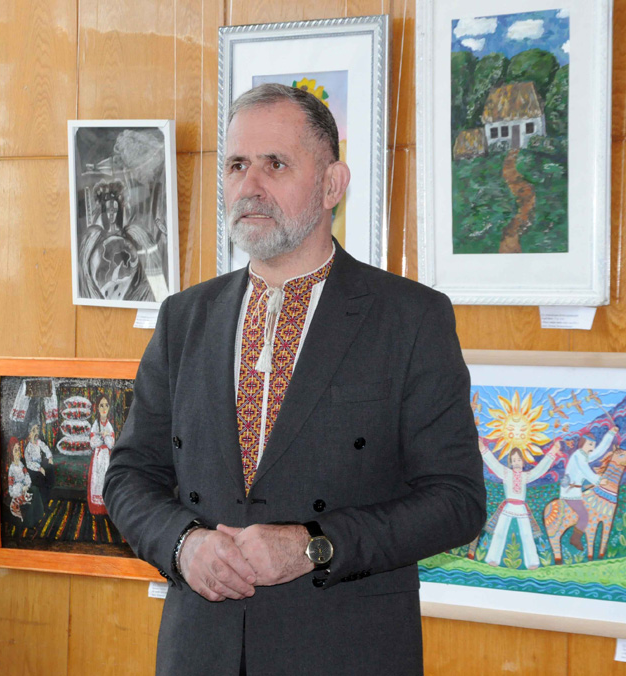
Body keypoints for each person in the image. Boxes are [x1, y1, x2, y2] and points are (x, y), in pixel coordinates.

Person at [104, 83, 486, 676]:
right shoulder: (184, 317)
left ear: (333, 184)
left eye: (275, 164)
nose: (249, 186)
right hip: (200, 650)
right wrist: (184, 545)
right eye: (237, 165)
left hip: (345, 651)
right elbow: (130, 476)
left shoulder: (410, 318)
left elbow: (457, 501)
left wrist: (314, 544)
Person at [479, 440, 560, 569]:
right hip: (508, 506)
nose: (516, 462)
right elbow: (493, 464)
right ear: (511, 463)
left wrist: (553, 451)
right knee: (499, 532)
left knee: (527, 534)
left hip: (521, 508)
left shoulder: (526, 476)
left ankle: (532, 562)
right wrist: (483, 448)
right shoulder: (506, 473)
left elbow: (540, 470)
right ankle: (493, 559)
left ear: (523, 461)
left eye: (518, 460)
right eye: (514, 460)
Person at [559, 425, 618, 550]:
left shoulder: (583, 455)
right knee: (584, 516)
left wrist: (610, 434)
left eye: (593, 445)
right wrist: (599, 481)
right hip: (570, 492)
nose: (592, 448)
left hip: (575, 491)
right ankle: (575, 538)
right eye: (590, 445)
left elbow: (599, 452)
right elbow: (585, 470)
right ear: (583, 444)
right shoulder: (578, 456)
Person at [87, 394, 115, 515]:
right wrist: (102, 437)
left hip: (106, 457)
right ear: (97, 408)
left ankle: (105, 508)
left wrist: (105, 437)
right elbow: (92, 443)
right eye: (101, 405)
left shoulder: (109, 426)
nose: (104, 408)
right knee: (96, 479)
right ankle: (96, 508)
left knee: (105, 478)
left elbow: (111, 444)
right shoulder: (95, 425)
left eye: (106, 405)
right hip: (98, 457)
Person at [7, 437, 44, 528]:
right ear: (12, 453)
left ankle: (38, 516)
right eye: (15, 450)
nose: (18, 452)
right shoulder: (12, 469)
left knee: (35, 489)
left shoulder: (21, 464)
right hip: (17, 495)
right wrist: (21, 488)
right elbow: (11, 490)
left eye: (19, 449)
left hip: (24, 490)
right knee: (30, 497)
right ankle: (29, 523)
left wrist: (27, 485)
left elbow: (26, 476)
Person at [23, 422, 56, 505]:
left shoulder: (38, 442)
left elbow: (45, 448)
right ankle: (43, 502)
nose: (36, 432)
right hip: (33, 470)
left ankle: (49, 493)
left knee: (50, 469)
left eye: (37, 429)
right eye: (33, 430)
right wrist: (39, 468)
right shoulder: (28, 448)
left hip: (40, 465)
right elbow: (29, 463)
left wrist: (49, 457)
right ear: (29, 434)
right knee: (41, 480)